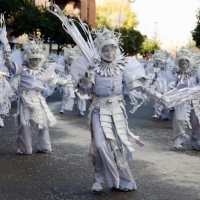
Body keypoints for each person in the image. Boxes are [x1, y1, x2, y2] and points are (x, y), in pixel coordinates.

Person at [49, 4, 162, 192]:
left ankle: (123, 181)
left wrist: (158, 96)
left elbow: (139, 87)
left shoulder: (125, 66)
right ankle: (100, 178)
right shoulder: (90, 65)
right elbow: (84, 91)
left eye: (112, 49)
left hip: (117, 110)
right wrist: (89, 75)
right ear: (100, 49)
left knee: (117, 146)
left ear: (116, 49)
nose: (109, 52)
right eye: (106, 49)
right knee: (100, 145)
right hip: (98, 109)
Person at [2, 34, 69, 154]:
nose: (34, 62)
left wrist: (67, 82)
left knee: (43, 123)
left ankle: (43, 146)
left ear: (40, 60)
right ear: (28, 59)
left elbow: (55, 80)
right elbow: (12, 67)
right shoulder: (22, 69)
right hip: (24, 99)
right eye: (32, 59)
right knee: (23, 124)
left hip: (38, 99)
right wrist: (7, 58)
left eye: (37, 60)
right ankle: (25, 148)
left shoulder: (43, 71)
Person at [162, 47, 200, 150]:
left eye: (185, 63)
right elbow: (170, 83)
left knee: (196, 120)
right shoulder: (176, 73)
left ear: (189, 64)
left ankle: (197, 141)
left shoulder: (195, 72)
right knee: (179, 119)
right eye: (181, 63)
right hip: (181, 99)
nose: (183, 65)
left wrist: (195, 91)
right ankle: (179, 139)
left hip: (194, 99)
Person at [58, 46, 88, 116]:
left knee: (80, 97)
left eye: (72, 59)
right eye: (69, 59)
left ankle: (81, 110)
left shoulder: (78, 65)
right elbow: (62, 73)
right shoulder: (65, 66)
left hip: (77, 82)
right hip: (68, 82)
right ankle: (62, 108)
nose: (71, 60)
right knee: (66, 96)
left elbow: (81, 73)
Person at [150, 50, 177, 120]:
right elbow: (155, 72)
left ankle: (164, 115)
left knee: (165, 98)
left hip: (169, 83)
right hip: (159, 82)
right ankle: (158, 113)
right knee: (158, 98)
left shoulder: (171, 63)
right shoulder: (159, 65)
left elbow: (174, 73)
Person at [0, 14, 15, 127]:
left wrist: (5, 43)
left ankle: (0, 116)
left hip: (1, 80)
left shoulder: (4, 52)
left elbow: (7, 58)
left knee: (2, 99)